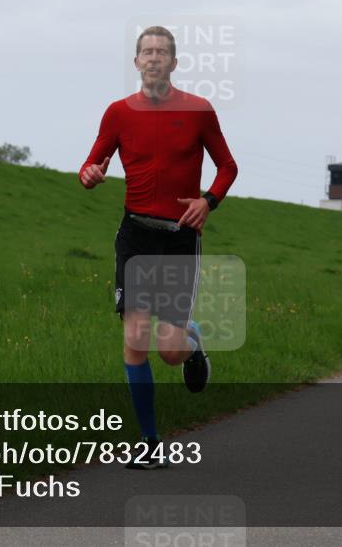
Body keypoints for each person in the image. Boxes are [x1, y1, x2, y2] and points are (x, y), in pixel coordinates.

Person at [79, 25, 237, 468]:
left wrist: (209, 201)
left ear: (174, 62)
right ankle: (150, 442)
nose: (153, 58)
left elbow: (227, 165)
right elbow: (92, 162)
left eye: (161, 52)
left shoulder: (199, 111)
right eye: (146, 51)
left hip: (180, 239)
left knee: (169, 351)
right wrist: (89, 174)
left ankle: (193, 341)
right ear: (136, 63)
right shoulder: (117, 113)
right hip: (136, 236)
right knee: (134, 337)